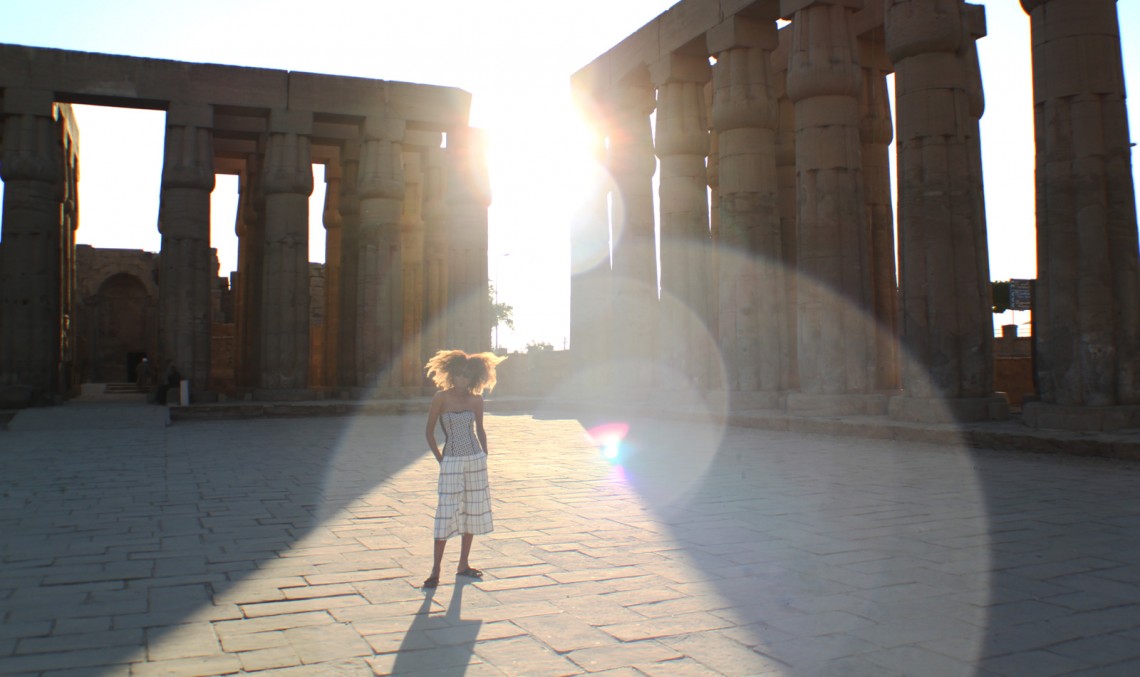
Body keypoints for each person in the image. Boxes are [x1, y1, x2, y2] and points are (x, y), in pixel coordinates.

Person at [421, 348, 506, 588]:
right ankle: (435, 570)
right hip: (451, 460)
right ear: (451, 374)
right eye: (459, 374)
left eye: (467, 375)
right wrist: (441, 459)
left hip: (475, 460)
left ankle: (463, 564)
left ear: (474, 377)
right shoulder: (441, 398)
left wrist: (484, 457)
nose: (462, 379)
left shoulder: (476, 399)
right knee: (445, 513)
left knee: (472, 511)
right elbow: (429, 432)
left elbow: (480, 430)